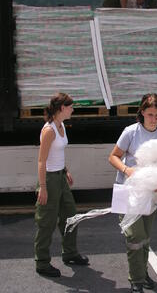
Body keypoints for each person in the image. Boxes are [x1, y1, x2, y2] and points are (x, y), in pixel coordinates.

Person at [109, 93, 157, 293]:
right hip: (129, 191)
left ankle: (142, 273)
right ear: (142, 113)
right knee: (134, 236)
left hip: (152, 195)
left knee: (146, 237)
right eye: (150, 115)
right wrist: (126, 170)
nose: (153, 120)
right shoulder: (130, 132)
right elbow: (113, 156)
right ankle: (136, 280)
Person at [35, 92, 89, 278]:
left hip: (60, 177)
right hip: (49, 180)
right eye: (70, 106)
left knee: (71, 216)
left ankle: (70, 253)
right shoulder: (49, 130)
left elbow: (56, 154)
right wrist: (42, 186)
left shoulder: (62, 125)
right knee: (47, 222)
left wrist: (65, 171)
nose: (72, 109)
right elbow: (42, 161)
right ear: (61, 108)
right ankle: (42, 262)